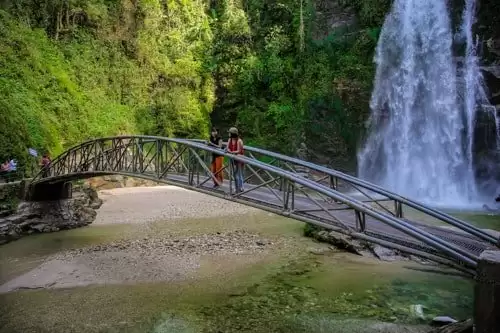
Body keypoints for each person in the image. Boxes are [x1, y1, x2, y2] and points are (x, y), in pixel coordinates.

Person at [226, 127, 244, 193]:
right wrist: (228, 150)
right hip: (232, 158)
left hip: (239, 158)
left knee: (239, 174)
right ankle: (237, 187)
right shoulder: (229, 140)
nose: (228, 134)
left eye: (229, 133)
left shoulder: (239, 141)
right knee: (234, 174)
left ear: (233, 134)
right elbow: (227, 147)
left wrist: (231, 152)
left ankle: (241, 187)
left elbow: (239, 151)